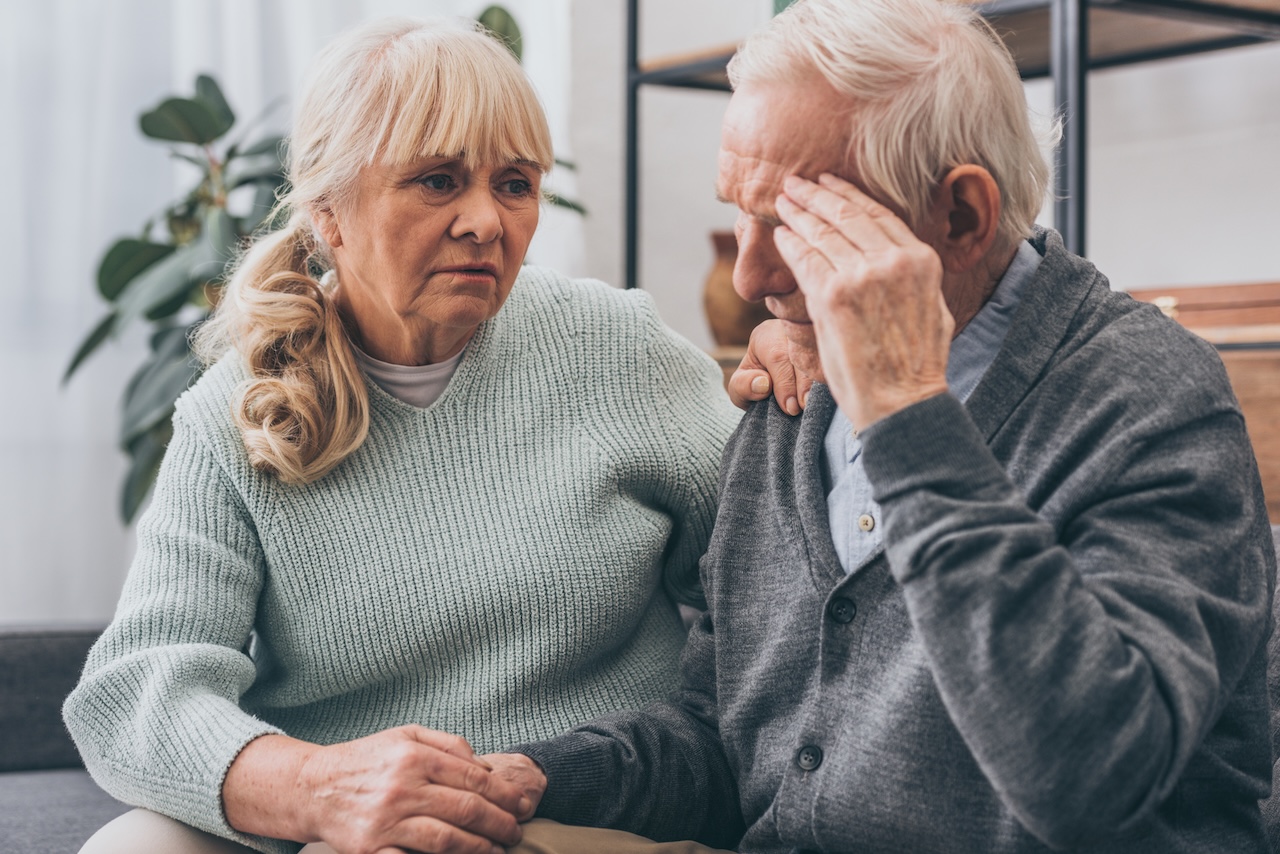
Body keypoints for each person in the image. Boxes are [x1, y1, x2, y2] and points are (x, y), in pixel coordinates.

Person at [482, 0, 1278, 851]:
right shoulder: (795, 393)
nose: (750, 275)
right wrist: (533, 778)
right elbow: (730, 744)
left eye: (796, 222)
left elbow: (1089, 778)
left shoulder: (1150, 397)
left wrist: (906, 411)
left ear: (962, 218)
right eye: (739, 214)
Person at [63, 17, 741, 854]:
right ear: (329, 215)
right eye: (438, 181)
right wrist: (319, 790)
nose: (486, 222)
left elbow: (772, 580)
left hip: (574, 806)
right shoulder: (234, 412)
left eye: (516, 184)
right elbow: (134, 690)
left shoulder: (618, 351)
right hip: (337, 820)